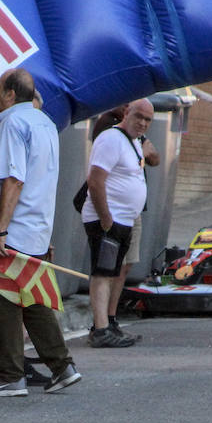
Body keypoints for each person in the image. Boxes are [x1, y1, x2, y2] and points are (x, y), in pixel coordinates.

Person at [0, 67, 80, 397]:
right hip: (37, 228)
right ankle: (62, 366)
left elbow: (14, 179)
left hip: (14, 230)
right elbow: (35, 175)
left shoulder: (13, 124)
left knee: (4, 300)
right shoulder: (44, 123)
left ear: (11, 95)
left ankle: (10, 375)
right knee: (31, 299)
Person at [81, 99, 154, 348]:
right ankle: (100, 330)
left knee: (113, 272)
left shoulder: (132, 141)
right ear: (127, 112)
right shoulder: (111, 138)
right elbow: (95, 181)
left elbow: (153, 159)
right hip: (108, 219)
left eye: (148, 120)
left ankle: (107, 324)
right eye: (139, 117)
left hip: (123, 219)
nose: (143, 123)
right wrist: (106, 219)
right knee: (103, 273)